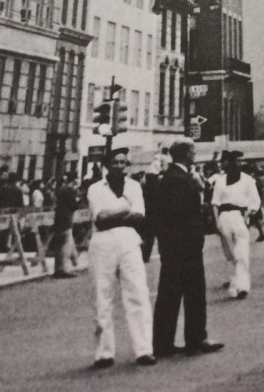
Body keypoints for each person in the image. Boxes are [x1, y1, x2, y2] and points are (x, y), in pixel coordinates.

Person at [151, 138, 224, 358]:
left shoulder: (173, 177)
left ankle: (164, 342)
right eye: (193, 151)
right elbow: (179, 214)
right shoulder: (179, 180)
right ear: (187, 154)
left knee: (170, 293)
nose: (195, 155)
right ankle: (196, 337)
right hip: (184, 246)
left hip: (174, 246)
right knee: (193, 292)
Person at [86, 147, 155, 368]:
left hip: (129, 240)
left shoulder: (134, 186)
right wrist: (126, 210)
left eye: (123, 162)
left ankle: (143, 349)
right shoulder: (95, 188)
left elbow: (139, 216)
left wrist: (116, 215)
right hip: (102, 243)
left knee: (138, 293)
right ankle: (103, 353)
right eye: (115, 162)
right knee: (102, 296)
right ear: (107, 165)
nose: (120, 166)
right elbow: (100, 218)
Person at [211, 150, 261, 299]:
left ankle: (243, 286)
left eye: (238, 161)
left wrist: (248, 213)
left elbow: (255, 200)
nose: (236, 164)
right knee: (230, 255)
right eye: (233, 161)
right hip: (224, 217)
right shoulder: (220, 181)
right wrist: (216, 222)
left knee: (242, 253)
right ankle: (234, 284)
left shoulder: (247, 180)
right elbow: (215, 203)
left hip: (239, 216)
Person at [52, 172, 80, 278]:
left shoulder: (60, 189)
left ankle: (57, 268)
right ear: (74, 180)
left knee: (59, 244)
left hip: (58, 218)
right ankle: (64, 269)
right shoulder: (70, 191)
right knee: (66, 245)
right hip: (67, 219)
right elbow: (74, 205)